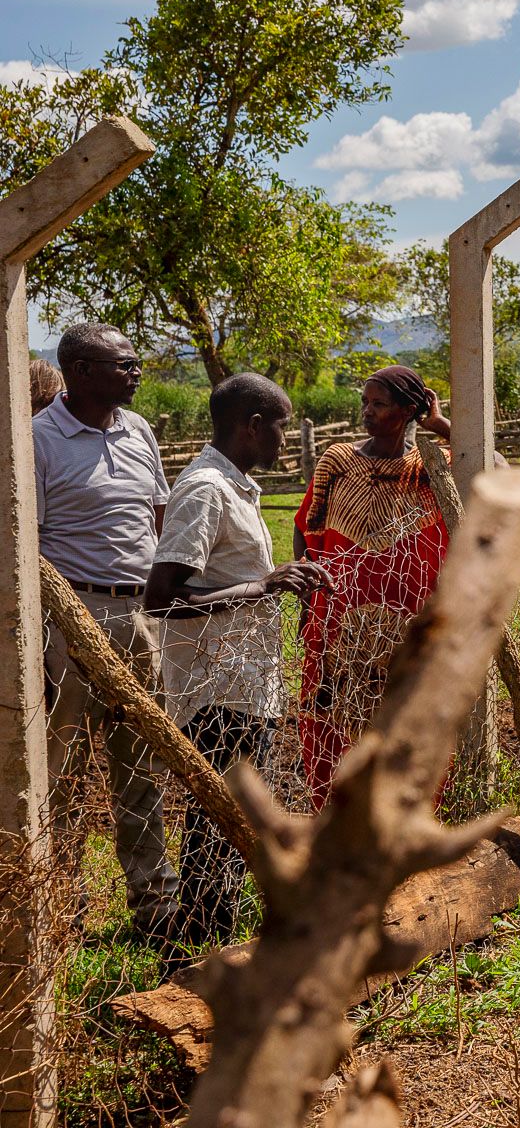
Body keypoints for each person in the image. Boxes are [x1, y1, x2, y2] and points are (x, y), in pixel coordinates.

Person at [146, 374, 329, 942]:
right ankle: (199, 945)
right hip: (216, 689)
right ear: (252, 426)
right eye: (280, 426)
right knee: (218, 824)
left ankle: (209, 936)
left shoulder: (238, 486)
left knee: (233, 823)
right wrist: (263, 585)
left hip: (246, 682)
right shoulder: (206, 489)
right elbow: (162, 597)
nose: (284, 438)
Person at [34, 324, 180, 940]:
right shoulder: (37, 441)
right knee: (61, 768)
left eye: (134, 362)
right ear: (79, 370)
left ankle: (155, 905)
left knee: (141, 761)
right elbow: (27, 543)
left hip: (140, 615)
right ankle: (58, 908)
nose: (135, 371)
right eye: (123, 363)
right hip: (69, 617)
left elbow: (158, 518)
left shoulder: (137, 429)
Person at [293, 365, 451, 807]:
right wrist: (309, 587)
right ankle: (335, 813)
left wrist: (439, 424)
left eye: (378, 404)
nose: (366, 411)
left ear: (408, 409)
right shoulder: (338, 461)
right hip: (341, 612)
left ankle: (410, 813)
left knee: (412, 711)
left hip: (412, 610)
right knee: (332, 713)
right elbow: (306, 527)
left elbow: (495, 465)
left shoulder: (433, 465)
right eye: (365, 402)